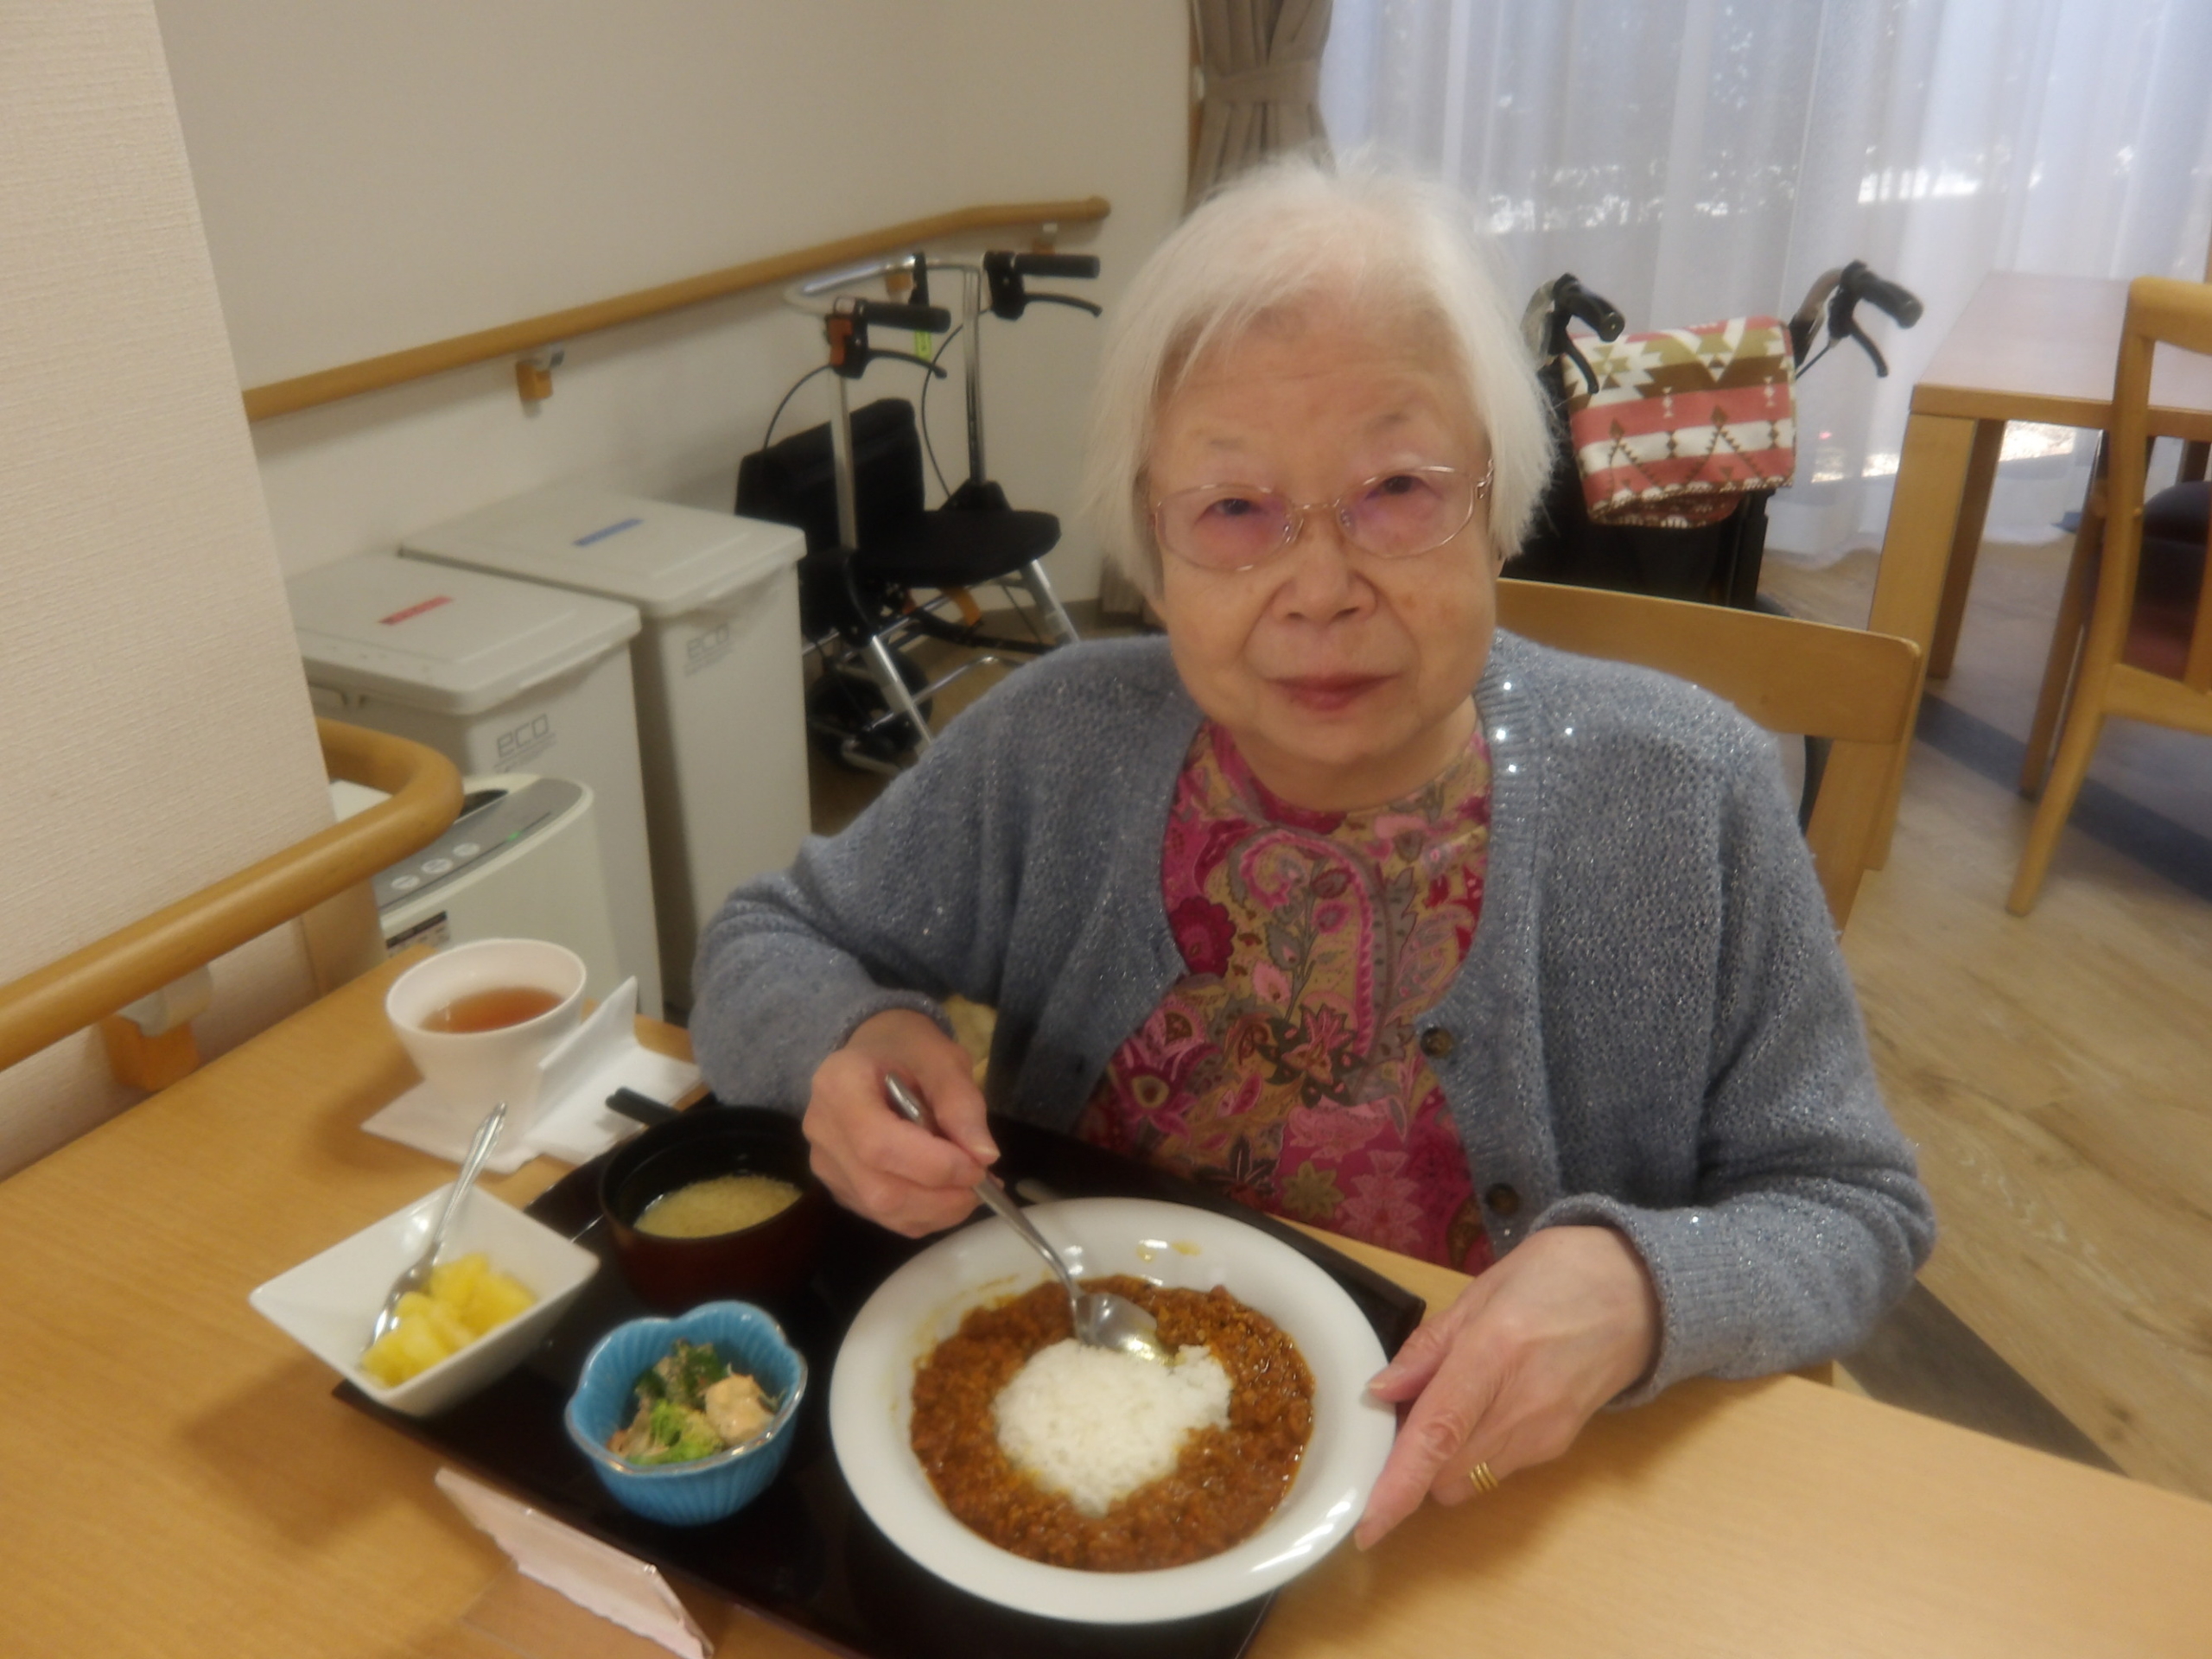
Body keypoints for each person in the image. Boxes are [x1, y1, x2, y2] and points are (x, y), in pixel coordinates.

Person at [691, 156, 1935, 1549]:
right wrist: (838, 1045)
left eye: (1396, 487)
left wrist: (1647, 1286)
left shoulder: (1685, 791)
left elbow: (1850, 1202)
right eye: (1233, 511)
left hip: (1512, 1522)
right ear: (1154, 550)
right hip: (1075, 1502)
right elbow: (765, 939)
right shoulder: (1054, 742)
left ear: (1500, 498)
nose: (1322, 589)